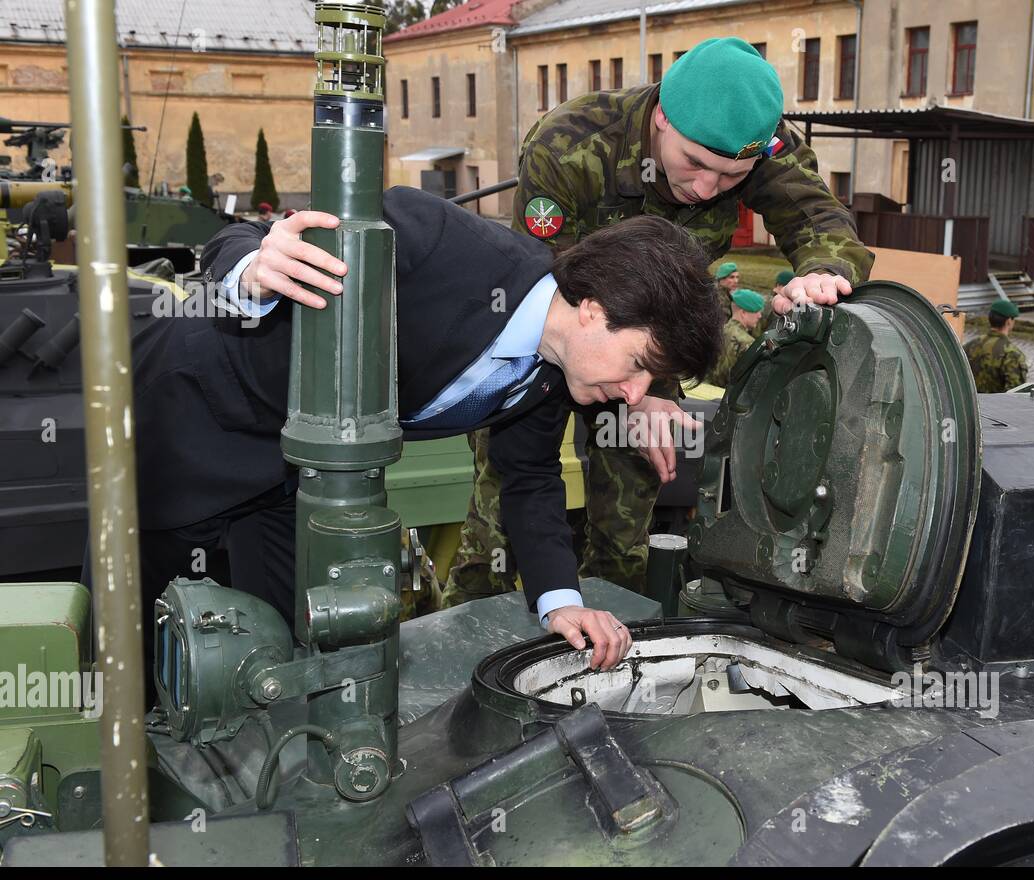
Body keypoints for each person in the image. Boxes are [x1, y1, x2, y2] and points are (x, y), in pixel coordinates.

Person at [104, 188, 722, 677]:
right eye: (641, 365)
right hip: (183, 420)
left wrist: (562, 603)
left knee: (279, 666)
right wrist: (252, 267)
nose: (636, 395)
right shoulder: (438, 241)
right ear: (595, 309)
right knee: (133, 652)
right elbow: (245, 238)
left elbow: (530, 480)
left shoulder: (554, 373)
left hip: (292, 476)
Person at [443, 36, 875, 607]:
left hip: (652, 357)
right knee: (499, 513)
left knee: (625, 531)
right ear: (663, 116)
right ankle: (462, 653)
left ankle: (614, 653)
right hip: (552, 343)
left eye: (730, 178)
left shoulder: (758, 143)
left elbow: (823, 222)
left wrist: (820, 275)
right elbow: (543, 278)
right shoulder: (571, 143)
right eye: (694, 164)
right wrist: (630, 396)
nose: (704, 189)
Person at [963, 299, 1029, 393]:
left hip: (970, 405)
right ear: (1009, 321)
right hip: (996, 407)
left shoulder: (970, 345)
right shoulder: (1012, 354)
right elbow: (1015, 394)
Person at [706, 289, 763, 388]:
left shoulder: (716, 332)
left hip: (705, 390)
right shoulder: (748, 343)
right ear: (743, 313)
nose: (760, 316)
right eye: (756, 311)